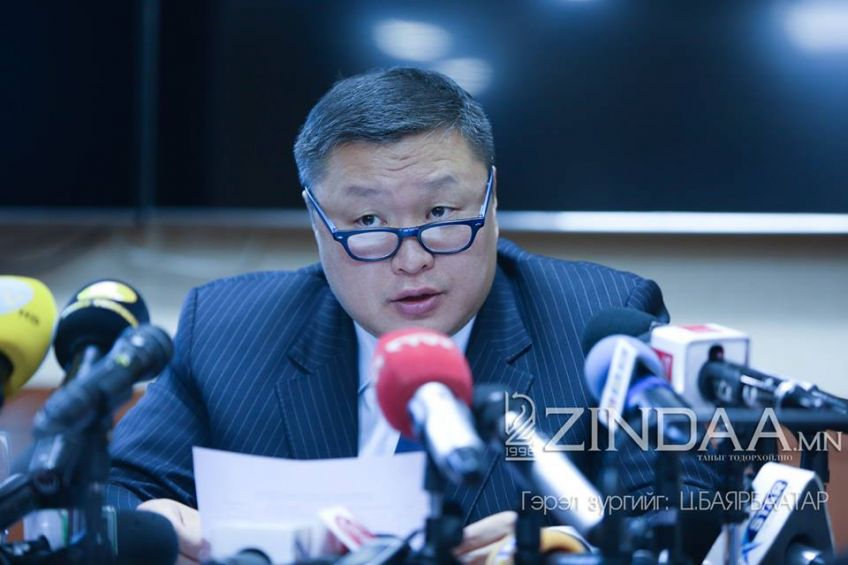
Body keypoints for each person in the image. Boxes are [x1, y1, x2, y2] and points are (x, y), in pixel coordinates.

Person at [107, 67, 715, 563]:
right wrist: (154, 524)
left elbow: (688, 506)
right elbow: (112, 493)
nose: (412, 258)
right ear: (317, 221)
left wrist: (563, 546)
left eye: (441, 213)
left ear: (492, 199)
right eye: (368, 222)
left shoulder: (599, 322)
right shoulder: (228, 330)